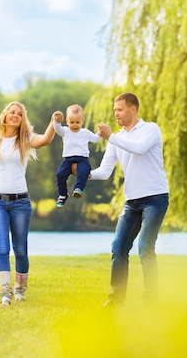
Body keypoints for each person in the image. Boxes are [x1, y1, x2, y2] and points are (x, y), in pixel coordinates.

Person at [0, 101, 57, 307]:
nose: (15, 115)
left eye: (19, 113)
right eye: (12, 112)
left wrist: (54, 122)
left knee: (20, 250)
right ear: (5, 116)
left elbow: (44, 140)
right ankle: (5, 296)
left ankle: (20, 292)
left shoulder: (25, 139)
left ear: (22, 119)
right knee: (1, 249)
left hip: (20, 203)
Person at [89, 92, 169, 307]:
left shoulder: (150, 129)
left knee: (145, 247)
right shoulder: (116, 139)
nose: (116, 114)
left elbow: (140, 149)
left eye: (120, 110)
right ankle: (115, 300)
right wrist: (85, 174)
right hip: (132, 201)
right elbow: (104, 171)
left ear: (133, 110)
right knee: (118, 247)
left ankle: (151, 301)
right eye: (115, 110)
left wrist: (111, 137)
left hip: (155, 198)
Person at [53, 104, 101, 208]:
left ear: (82, 121)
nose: (74, 125)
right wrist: (56, 121)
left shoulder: (85, 132)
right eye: (71, 122)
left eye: (77, 122)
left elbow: (95, 139)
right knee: (60, 175)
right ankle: (63, 194)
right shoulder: (65, 131)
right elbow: (57, 129)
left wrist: (100, 133)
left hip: (82, 158)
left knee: (84, 171)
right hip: (68, 159)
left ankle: (78, 188)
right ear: (67, 121)